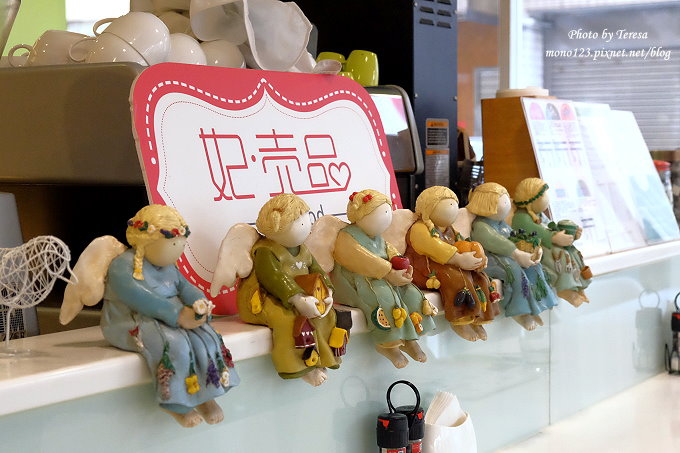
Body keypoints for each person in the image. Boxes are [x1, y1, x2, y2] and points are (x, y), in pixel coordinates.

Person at [101, 205, 238, 428]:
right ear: (147, 241)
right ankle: (176, 403)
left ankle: (205, 395)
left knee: (206, 338)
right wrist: (177, 314)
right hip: (132, 320)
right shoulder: (123, 266)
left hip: (171, 318)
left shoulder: (168, 266)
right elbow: (139, 296)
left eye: (181, 244)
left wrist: (199, 303)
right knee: (176, 345)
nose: (179, 250)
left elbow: (185, 287)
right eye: (173, 244)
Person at [237, 194, 345, 387]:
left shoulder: (302, 248)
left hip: (304, 295)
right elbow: (274, 278)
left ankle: (321, 359)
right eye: (300, 222)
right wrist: (297, 298)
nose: (307, 226)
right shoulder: (266, 250)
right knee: (288, 321)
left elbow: (317, 270)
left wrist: (327, 292)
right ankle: (298, 367)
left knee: (325, 315)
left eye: (306, 219)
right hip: (265, 299)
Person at [331, 189, 436, 368]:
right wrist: (388, 272)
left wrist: (402, 268)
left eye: (387, 212)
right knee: (383, 295)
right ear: (361, 215)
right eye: (380, 213)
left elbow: (391, 252)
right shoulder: (346, 236)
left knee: (411, 293)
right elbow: (362, 259)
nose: (386, 218)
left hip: (384, 276)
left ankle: (411, 338)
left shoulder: (378, 238)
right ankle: (388, 344)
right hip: (356, 280)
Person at [404, 186, 500, 342]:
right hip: (424, 269)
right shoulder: (420, 228)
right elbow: (433, 247)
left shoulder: (450, 229)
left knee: (480, 277)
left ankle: (478, 316)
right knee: (456, 277)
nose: (451, 208)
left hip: (448, 264)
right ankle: (460, 319)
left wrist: (477, 258)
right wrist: (458, 259)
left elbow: (462, 244)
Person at [467, 183, 559, 331]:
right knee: (514, 271)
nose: (508, 204)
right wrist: (516, 254)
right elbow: (496, 242)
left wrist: (531, 248)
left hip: (507, 257)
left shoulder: (502, 224)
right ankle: (520, 311)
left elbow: (515, 238)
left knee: (534, 267)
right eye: (503, 201)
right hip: (491, 260)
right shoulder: (481, 226)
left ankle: (536, 305)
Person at [512, 178, 591, 307]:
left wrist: (571, 235)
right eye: (542, 195)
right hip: (536, 249)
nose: (546, 198)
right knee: (562, 255)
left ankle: (579, 285)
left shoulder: (539, 215)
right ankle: (565, 288)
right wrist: (554, 238)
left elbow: (550, 227)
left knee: (573, 252)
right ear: (531, 199)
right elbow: (539, 232)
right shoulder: (521, 217)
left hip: (547, 247)